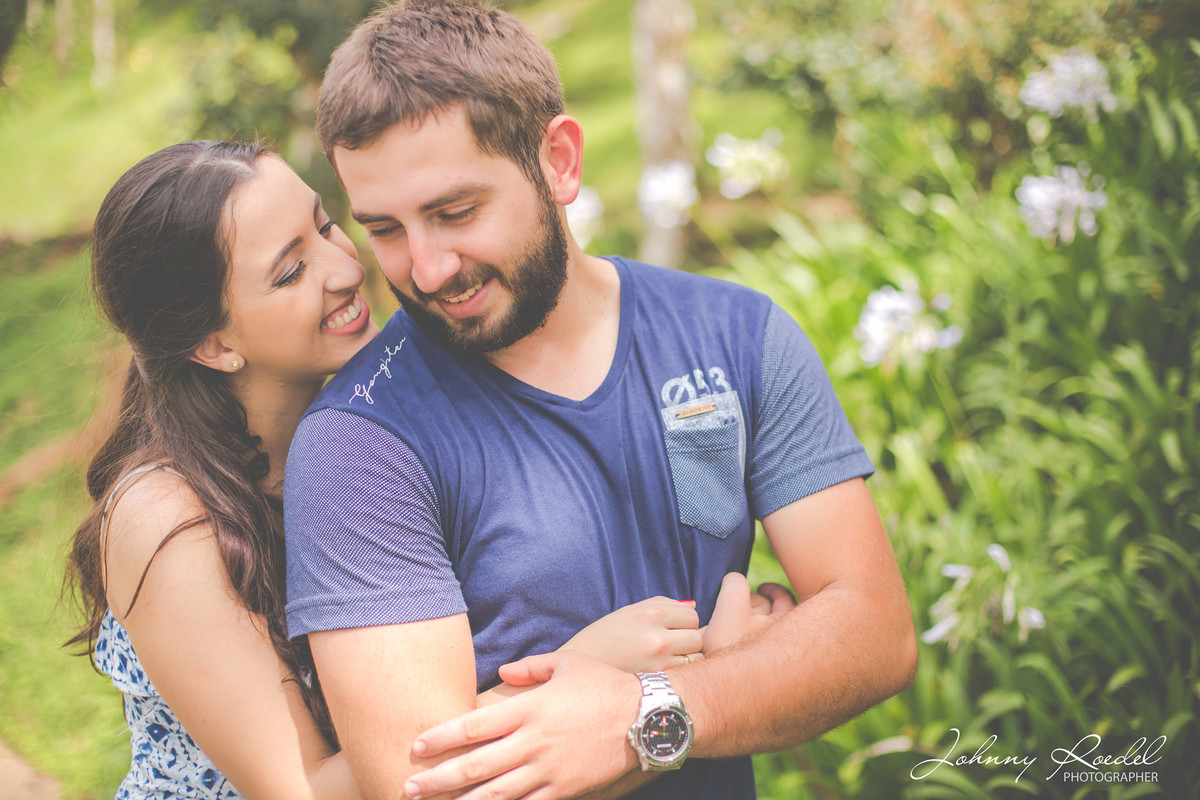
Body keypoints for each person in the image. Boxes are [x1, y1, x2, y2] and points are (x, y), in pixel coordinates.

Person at [284, 1, 917, 799]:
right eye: (384, 229)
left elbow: (876, 634)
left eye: (456, 212)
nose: (428, 267)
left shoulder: (735, 336)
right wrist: (731, 672)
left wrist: (649, 710)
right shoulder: (359, 445)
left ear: (558, 161)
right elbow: (421, 787)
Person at [66, 140, 752, 799]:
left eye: (325, 227)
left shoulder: (375, 425)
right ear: (213, 344)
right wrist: (592, 675)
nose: (344, 267)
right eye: (291, 272)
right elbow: (304, 791)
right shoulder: (167, 520)